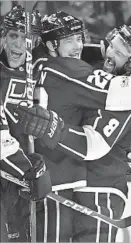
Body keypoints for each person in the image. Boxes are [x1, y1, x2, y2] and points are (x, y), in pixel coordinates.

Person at [16, 12, 131, 242]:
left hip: (102, 189)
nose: (110, 55)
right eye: (112, 47)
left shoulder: (128, 97)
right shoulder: (96, 70)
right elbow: (84, 52)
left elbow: (93, 144)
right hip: (76, 185)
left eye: (119, 53)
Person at [0, 6, 52, 242]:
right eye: (13, 36)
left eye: (26, 37)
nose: (18, 45)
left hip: (21, 186)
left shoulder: (41, 69)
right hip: (14, 173)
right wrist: (26, 169)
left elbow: (85, 68)